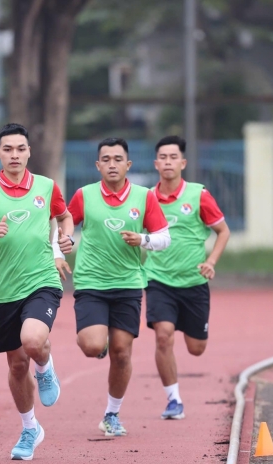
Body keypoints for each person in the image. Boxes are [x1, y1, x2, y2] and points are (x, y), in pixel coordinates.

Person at [0, 123, 74, 460]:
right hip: (4, 291)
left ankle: (46, 366)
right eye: (8, 149)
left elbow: (65, 218)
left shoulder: (47, 187)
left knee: (33, 341)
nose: (14, 155)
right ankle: (30, 429)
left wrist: (62, 244)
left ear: (29, 152)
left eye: (20, 149)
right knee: (17, 366)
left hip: (42, 281)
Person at [60, 137, 170, 437]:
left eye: (117, 159)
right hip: (91, 282)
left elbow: (164, 236)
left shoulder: (144, 197)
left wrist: (143, 240)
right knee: (92, 346)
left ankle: (112, 414)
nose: (112, 164)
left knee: (122, 353)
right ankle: (100, 341)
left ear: (128, 164)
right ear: (98, 165)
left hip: (128, 284)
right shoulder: (84, 195)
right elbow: (65, 224)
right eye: (106, 159)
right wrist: (63, 244)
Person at [144, 135, 230, 420]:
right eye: (163, 157)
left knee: (196, 349)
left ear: (183, 162)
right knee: (163, 336)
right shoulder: (146, 198)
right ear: (156, 163)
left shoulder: (198, 194)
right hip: (158, 279)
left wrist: (211, 261)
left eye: (173, 157)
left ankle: (187, 326)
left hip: (194, 282)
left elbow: (223, 231)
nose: (168, 162)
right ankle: (173, 400)